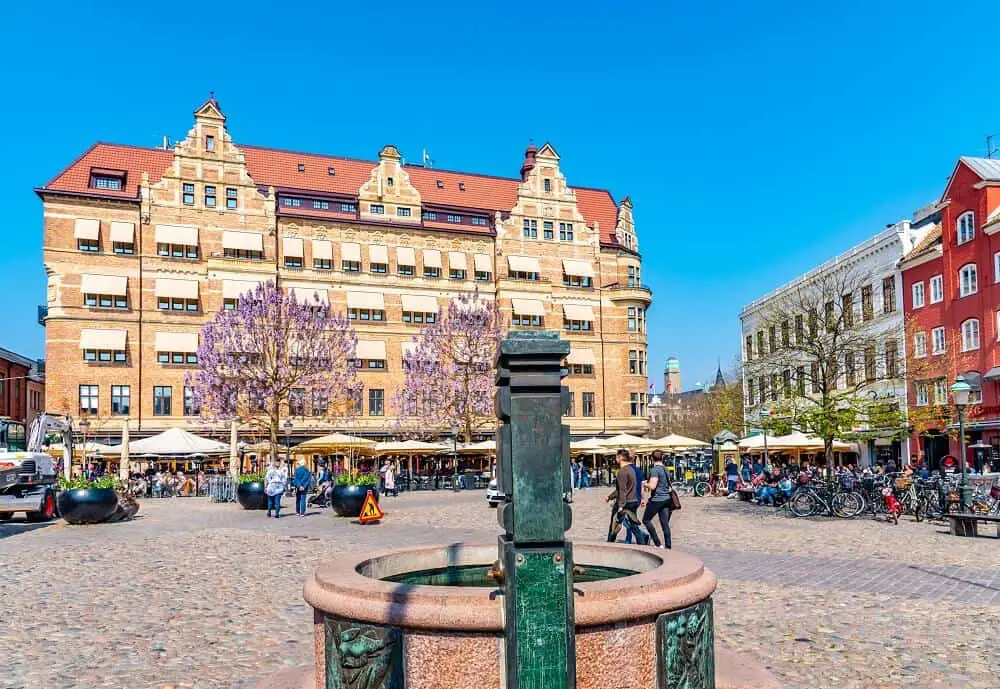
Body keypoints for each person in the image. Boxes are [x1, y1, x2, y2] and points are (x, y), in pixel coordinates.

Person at [606, 449, 646, 544]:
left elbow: (622, 490)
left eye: (616, 457)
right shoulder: (631, 470)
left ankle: (609, 543)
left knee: (614, 525)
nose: (615, 459)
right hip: (633, 501)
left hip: (625, 503)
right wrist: (610, 497)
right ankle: (642, 544)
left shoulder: (622, 471)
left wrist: (621, 506)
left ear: (620, 458)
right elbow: (625, 488)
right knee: (633, 526)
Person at [641, 451, 672, 549]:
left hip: (657, 499)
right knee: (665, 524)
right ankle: (668, 546)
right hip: (667, 498)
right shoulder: (665, 469)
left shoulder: (655, 470)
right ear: (662, 458)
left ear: (652, 458)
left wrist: (644, 484)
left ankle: (658, 543)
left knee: (646, 520)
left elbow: (653, 486)